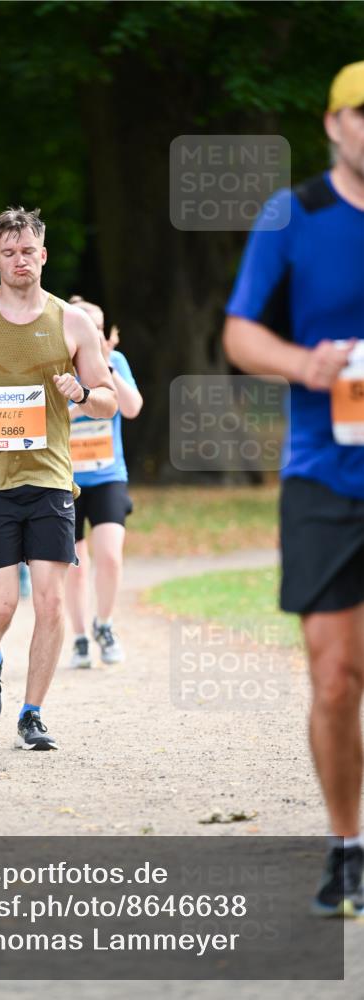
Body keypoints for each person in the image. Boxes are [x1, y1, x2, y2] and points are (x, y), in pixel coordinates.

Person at [223, 61, 364, 917]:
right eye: (362, 112)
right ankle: (347, 846)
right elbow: (240, 332)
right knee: (335, 676)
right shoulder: (293, 215)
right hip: (324, 474)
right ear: (333, 123)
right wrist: (301, 363)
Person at [0, 206, 116, 750]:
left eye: (28, 251)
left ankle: (32, 714)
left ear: (43, 255)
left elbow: (108, 400)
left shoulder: (73, 322)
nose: (20, 260)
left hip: (51, 478)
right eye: (9, 252)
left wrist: (83, 393)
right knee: (2, 606)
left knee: (51, 603)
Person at [65, 298, 142, 668]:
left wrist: (108, 370)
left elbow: (132, 408)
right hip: (65, 479)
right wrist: (82, 403)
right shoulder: (56, 363)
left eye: (98, 326)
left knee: (110, 556)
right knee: (75, 565)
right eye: (86, 325)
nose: (94, 333)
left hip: (108, 474)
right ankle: (80, 637)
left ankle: (105, 624)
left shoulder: (116, 362)